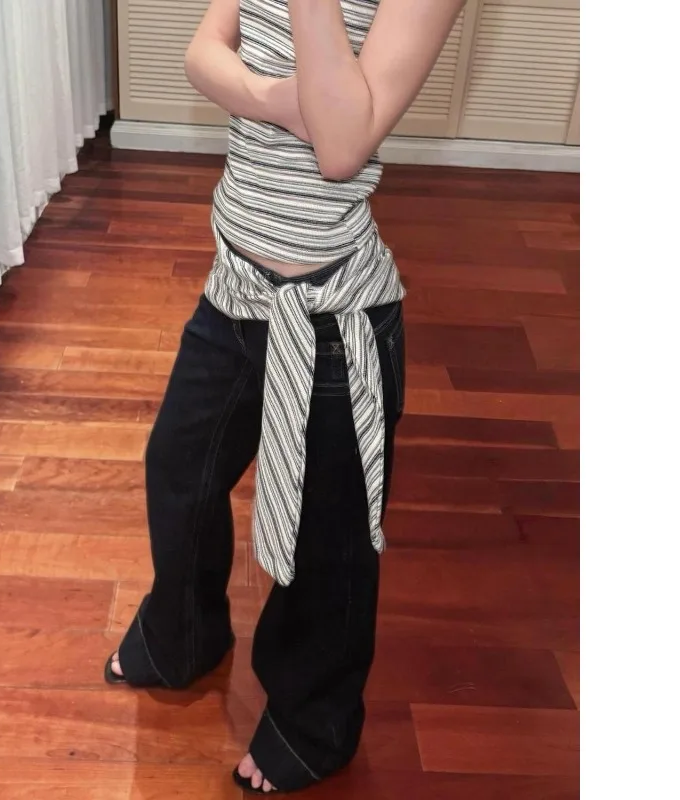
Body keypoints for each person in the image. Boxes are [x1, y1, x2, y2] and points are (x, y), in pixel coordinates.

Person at [105, 0, 465, 793]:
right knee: (179, 468)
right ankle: (183, 633)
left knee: (327, 541)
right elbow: (203, 53)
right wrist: (278, 99)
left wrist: (304, 96)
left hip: (334, 318)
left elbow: (340, 148)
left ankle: (314, 723)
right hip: (234, 288)